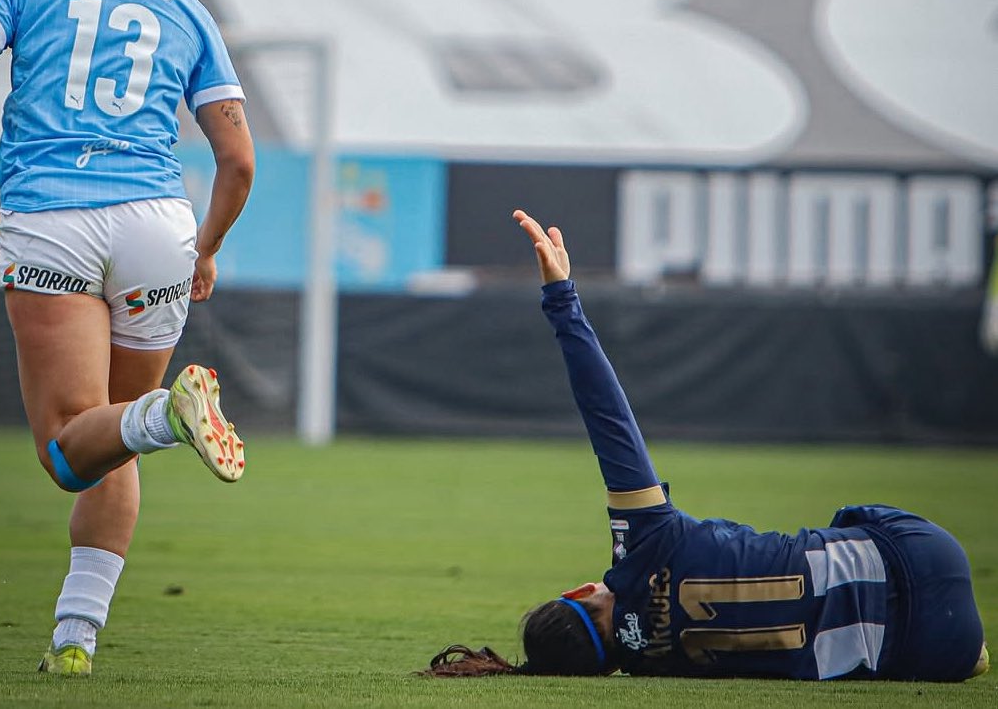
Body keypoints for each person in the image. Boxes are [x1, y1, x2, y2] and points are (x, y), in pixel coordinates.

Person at [423, 209, 989, 682]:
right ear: (580, 590)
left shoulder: (657, 669)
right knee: (847, 521)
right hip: (919, 551)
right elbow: (608, 418)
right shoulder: (645, 547)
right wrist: (562, 300)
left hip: (934, 649)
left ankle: (972, 654)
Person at [0, 0, 255, 676]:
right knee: (111, 433)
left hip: (52, 217)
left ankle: (165, 420)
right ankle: (74, 639)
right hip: (158, 226)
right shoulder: (188, 9)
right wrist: (205, 249)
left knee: (67, 451)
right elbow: (238, 161)